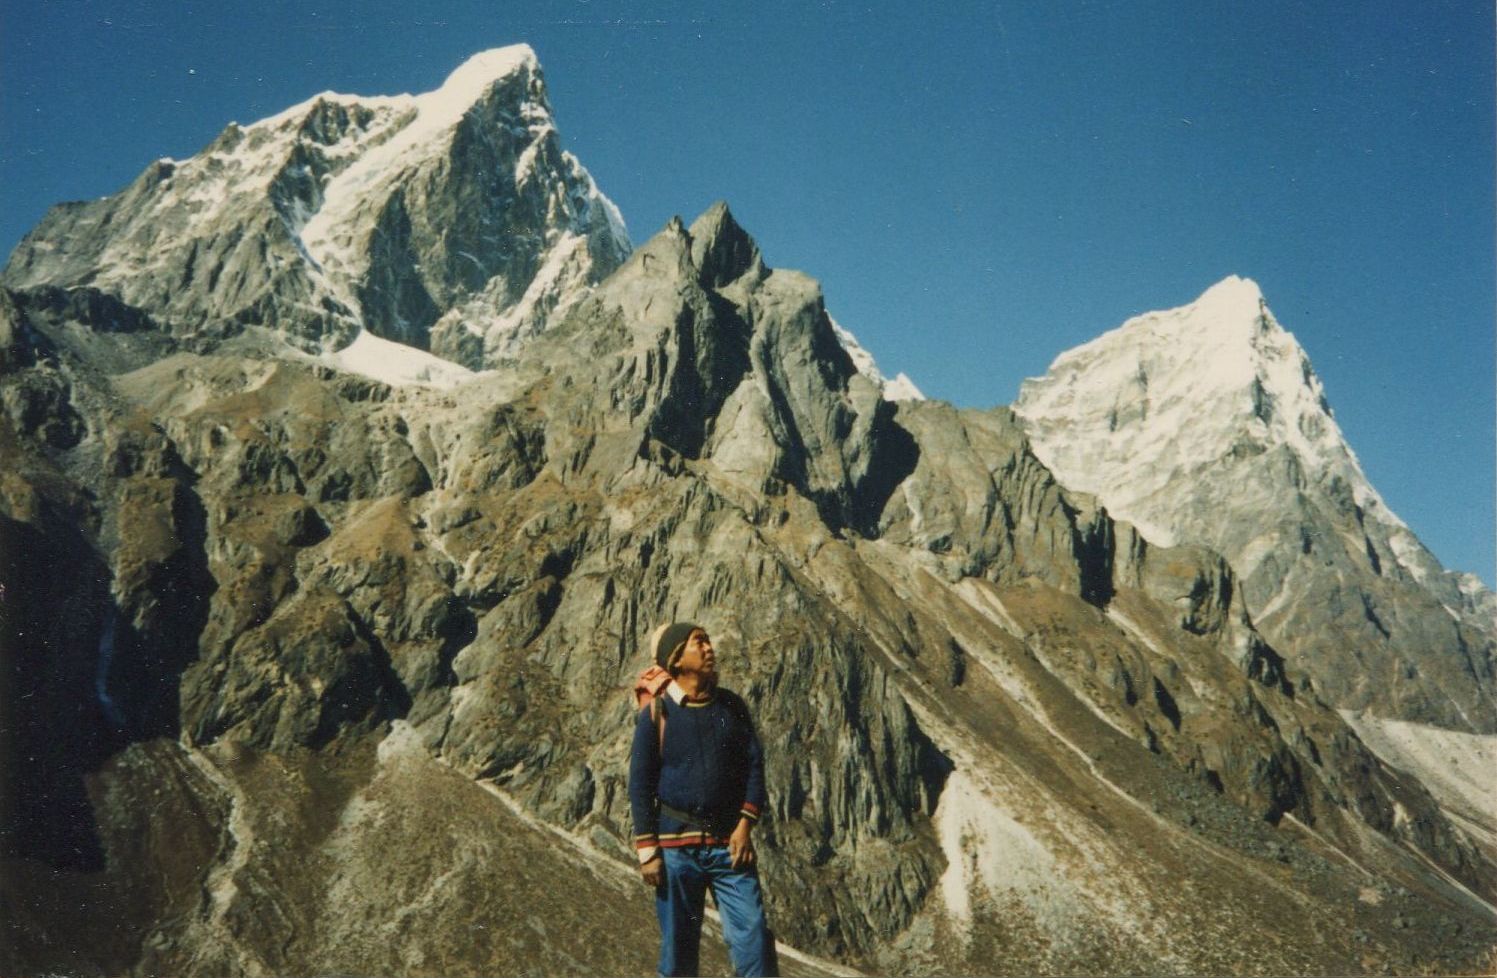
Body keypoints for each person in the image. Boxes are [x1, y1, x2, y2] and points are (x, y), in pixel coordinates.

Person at [629, 622, 777, 978]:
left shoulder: (731, 706)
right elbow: (640, 782)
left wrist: (745, 825)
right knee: (678, 953)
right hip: (676, 851)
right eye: (700, 643)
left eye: (707, 641)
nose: (710, 648)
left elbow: (754, 767)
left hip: (730, 847)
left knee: (754, 940)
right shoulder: (656, 715)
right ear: (677, 659)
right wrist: (648, 851)